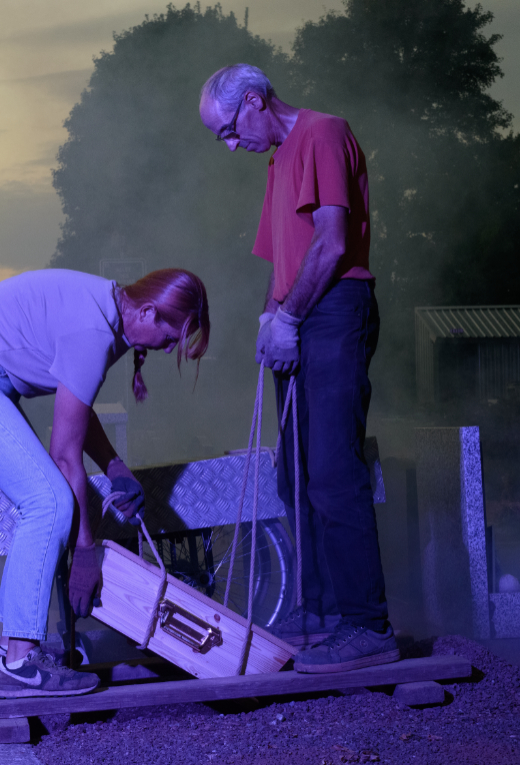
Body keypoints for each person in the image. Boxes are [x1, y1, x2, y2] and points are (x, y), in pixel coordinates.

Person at [0, 268, 210, 698]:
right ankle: (20, 661)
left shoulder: (105, 311)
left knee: (47, 498)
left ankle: (10, 651)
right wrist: (86, 554)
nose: (168, 350)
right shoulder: (94, 330)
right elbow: (64, 454)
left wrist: (115, 469)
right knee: (49, 500)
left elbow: (77, 409)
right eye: (170, 338)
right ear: (147, 312)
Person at [199, 64, 398, 673]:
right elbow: (282, 257)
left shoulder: (323, 133)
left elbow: (333, 243)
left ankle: (367, 625)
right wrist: (270, 319)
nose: (231, 145)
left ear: (255, 101)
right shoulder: (279, 161)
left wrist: (290, 317)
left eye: (228, 130)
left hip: (335, 309)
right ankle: (318, 611)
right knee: (296, 473)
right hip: (300, 308)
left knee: (335, 469)